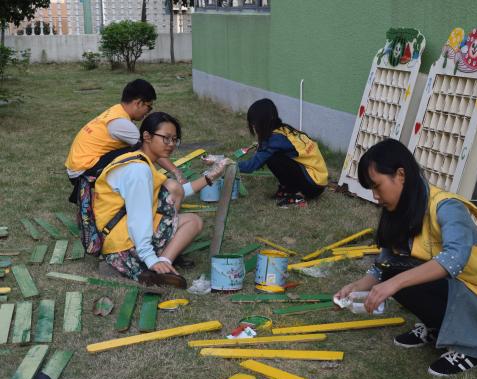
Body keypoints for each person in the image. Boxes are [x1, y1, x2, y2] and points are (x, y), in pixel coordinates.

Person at [334, 139, 477, 376]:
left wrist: (394, 283)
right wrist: (357, 286)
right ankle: (437, 327)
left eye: (377, 186)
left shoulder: (447, 206)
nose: (376, 196)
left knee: (396, 277)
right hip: (457, 290)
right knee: (392, 269)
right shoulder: (402, 209)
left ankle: (474, 348)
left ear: (400, 175)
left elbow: (454, 259)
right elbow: (384, 265)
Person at [93, 112, 228, 288]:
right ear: (147, 136)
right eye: (166, 138)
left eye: (174, 139)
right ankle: (156, 267)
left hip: (118, 236)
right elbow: (138, 218)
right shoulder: (138, 171)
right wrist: (149, 258)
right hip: (120, 247)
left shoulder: (138, 161)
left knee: (188, 212)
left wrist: (210, 177)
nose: (171, 144)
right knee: (179, 201)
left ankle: (164, 263)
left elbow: (179, 191)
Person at [65, 79, 185, 203]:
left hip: (78, 168)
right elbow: (151, 149)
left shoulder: (115, 111)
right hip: (83, 173)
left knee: (134, 150)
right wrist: (176, 172)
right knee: (139, 152)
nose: (148, 112)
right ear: (138, 103)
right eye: (149, 107)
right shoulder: (121, 123)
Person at [237, 98, 328, 207]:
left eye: (254, 123)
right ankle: (288, 189)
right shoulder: (283, 130)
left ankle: (297, 193)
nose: (253, 127)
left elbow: (251, 166)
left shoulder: (274, 140)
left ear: (263, 122)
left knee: (273, 157)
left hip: (313, 186)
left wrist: (230, 165)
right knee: (272, 156)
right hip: (319, 181)